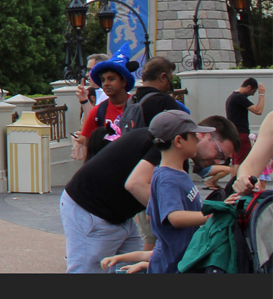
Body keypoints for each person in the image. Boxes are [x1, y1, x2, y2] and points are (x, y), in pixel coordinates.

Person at [61, 112, 237, 273]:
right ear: (202, 136)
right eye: (219, 153)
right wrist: (174, 216)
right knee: (88, 270)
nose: (218, 160)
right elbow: (136, 183)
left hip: (119, 215)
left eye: (224, 159)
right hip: (90, 209)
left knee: (127, 269)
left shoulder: (178, 163)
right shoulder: (163, 150)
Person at [101, 111, 219, 274]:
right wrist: (213, 216)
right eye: (193, 136)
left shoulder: (175, 174)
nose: (198, 139)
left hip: (176, 263)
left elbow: (163, 241)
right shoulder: (167, 179)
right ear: (179, 141)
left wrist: (142, 262)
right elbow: (174, 217)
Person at [225, 78, 266, 165]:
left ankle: (234, 178)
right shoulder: (239, 97)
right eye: (253, 91)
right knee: (241, 162)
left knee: (235, 162)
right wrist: (262, 94)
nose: (252, 94)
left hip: (234, 134)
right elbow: (258, 111)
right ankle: (239, 178)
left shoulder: (232, 97)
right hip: (241, 134)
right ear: (249, 87)